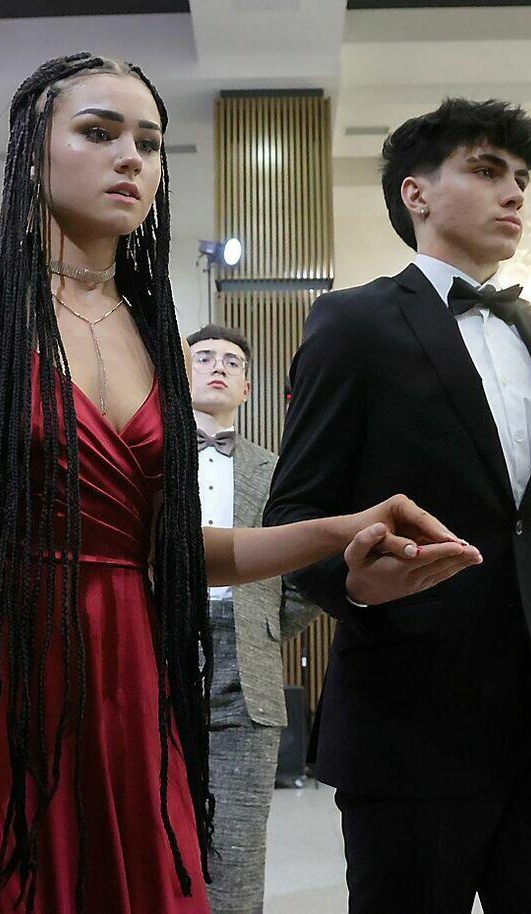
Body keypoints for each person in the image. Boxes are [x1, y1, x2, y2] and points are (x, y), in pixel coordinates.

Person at [0, 53, 479, 914]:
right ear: (32, 152)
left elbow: (173, 550)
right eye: (99, 133)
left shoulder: (157, 339)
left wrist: (340, 529)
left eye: (149, 142)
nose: (131, 158)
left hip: (126, 672)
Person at [265, 96, 531, 913]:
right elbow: (296, 513)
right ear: (415, 193)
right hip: (409, 717)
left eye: (521, 178)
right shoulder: (352, 323)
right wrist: (355, 587)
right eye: (486, 171)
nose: (513, 192)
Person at [187, 322, 319, 913]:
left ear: (246, 388)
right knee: (151, 840)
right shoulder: (142, 458)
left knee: (236, 854)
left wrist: (264, 626)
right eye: (204, 357)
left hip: (249, 675)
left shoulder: (278, 471)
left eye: (232, 362)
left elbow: (306, 573)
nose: (218, 366)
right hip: (151, 661)